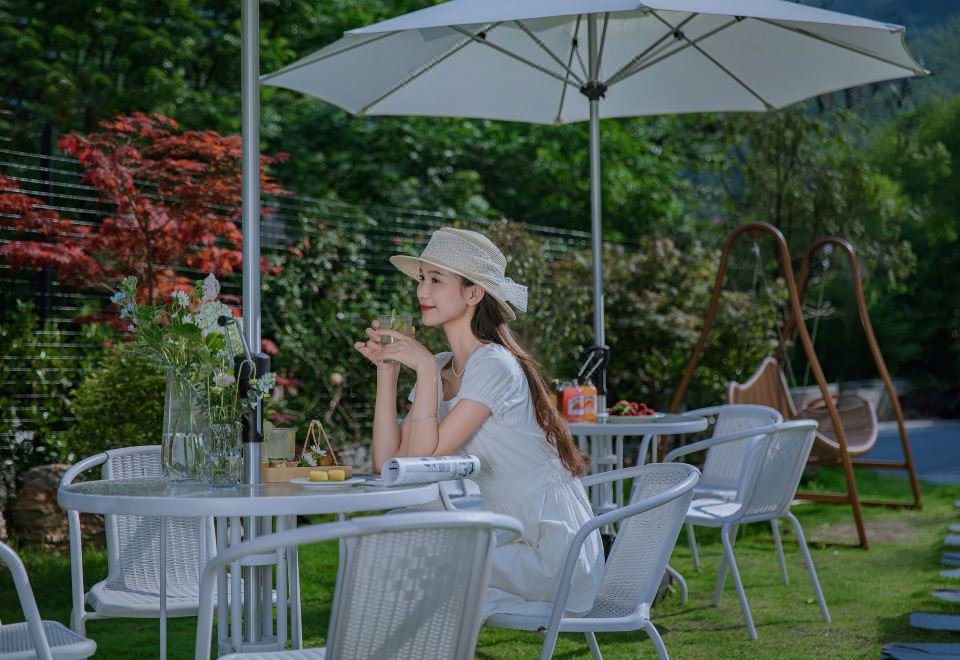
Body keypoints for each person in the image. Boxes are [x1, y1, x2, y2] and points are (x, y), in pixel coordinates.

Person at [354, 227, 603, 618]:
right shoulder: (441, 365)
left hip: (546, 549)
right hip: (502, 531)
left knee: (410, 552)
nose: (421, 291)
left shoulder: (494, 365)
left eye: (436, 280)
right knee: (398, 531)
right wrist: (387, 373)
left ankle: (400, 640)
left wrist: (423, 368)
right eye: (422, 278)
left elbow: (424, 457)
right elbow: (391, 465)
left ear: (474, 294)